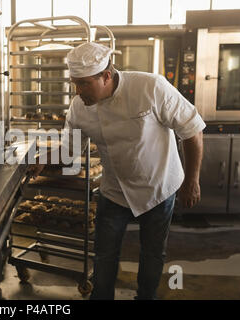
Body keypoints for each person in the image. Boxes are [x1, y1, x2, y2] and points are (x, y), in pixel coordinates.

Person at [28, 42, 205, 300]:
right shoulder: (79, 107)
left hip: (158, 186)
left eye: (85, 83)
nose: (78, 92)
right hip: (115, 190)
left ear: (106, 76)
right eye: (74, 83)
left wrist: (192, 180)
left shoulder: (150, 87)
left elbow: (193, 130)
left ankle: (146, 297)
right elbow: (70, 150)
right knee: (104, 254)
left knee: (153, 253)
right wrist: (43, 159)